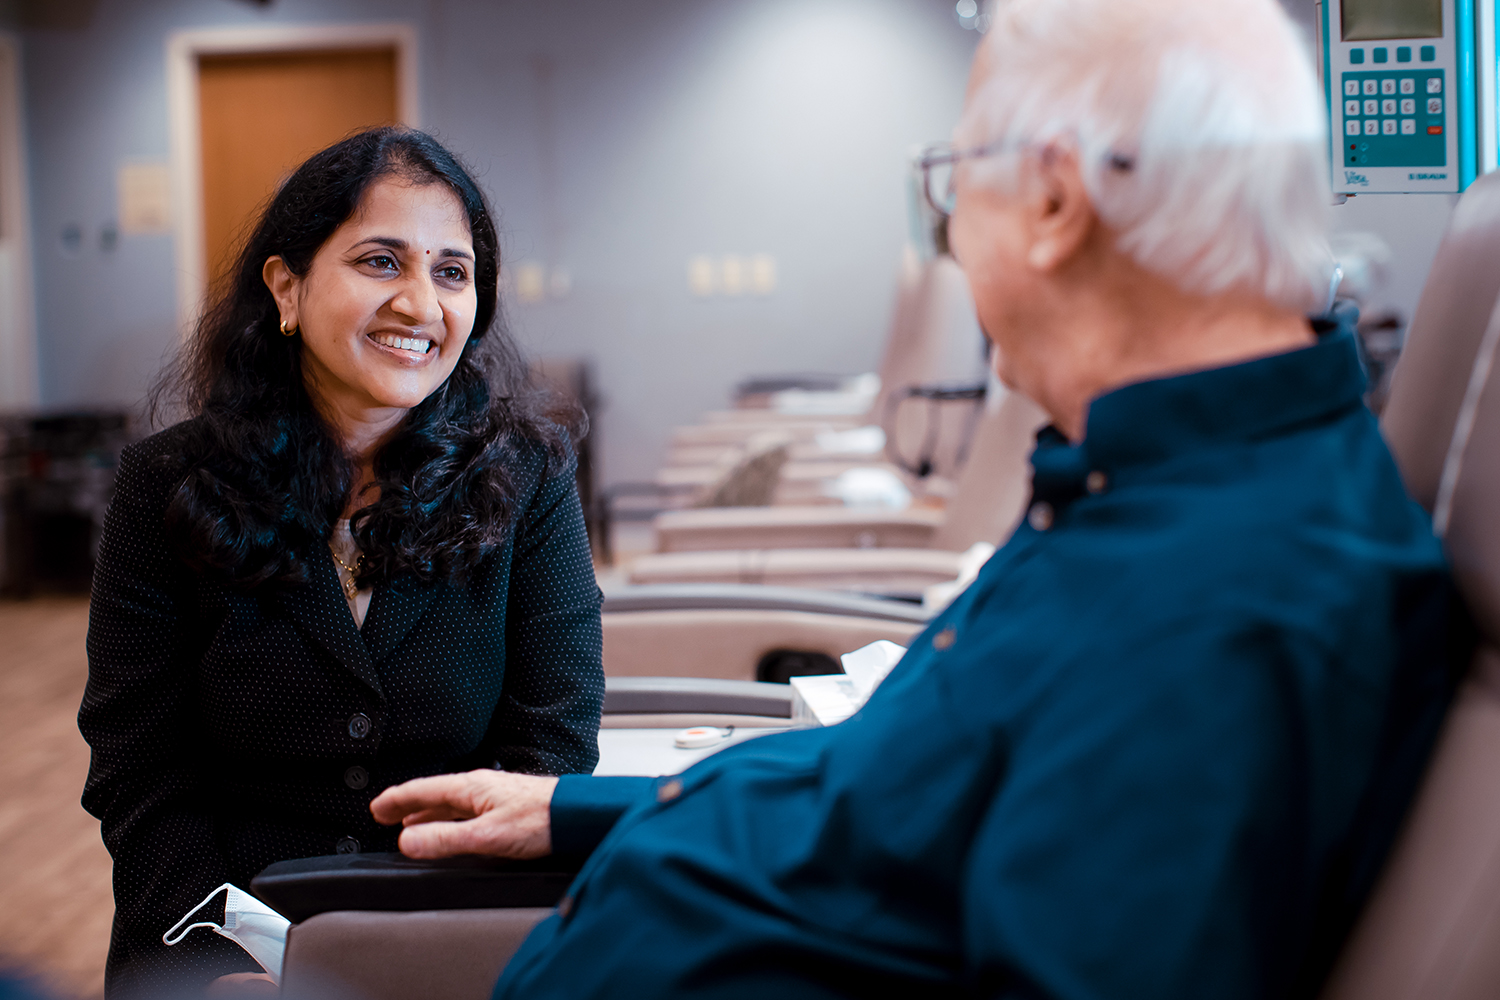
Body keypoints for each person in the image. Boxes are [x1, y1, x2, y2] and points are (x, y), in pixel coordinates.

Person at [371, 0, 1464, 996]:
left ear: (1050, 200)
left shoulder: (1228, 600)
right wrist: (567, 808)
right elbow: (893, 783)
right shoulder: (1157, 484)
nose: (950, 229)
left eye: (953, 179)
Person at [78, 128, 604, 998]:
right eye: (379, 261)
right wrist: (216, 960)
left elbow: (549, 745)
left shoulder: (526, 476)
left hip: (460, 924)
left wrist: (430, 945)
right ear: (286, 286)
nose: (420, 304)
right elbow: (140, 772)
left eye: (451, 272)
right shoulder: (165, 484)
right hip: (217, 938)